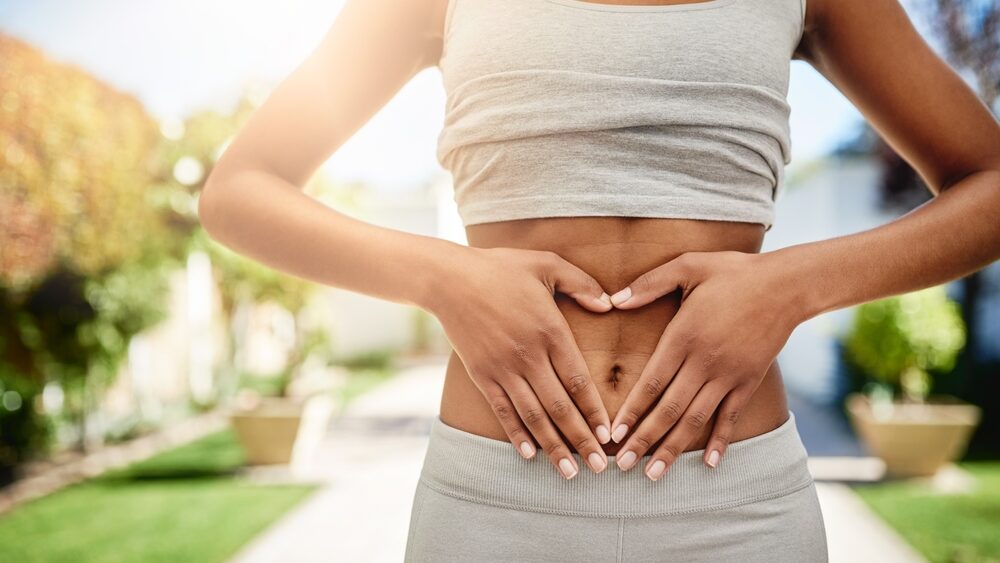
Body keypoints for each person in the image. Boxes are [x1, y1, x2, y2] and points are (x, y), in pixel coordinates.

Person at [198, 0, 1000, 560]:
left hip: (736, 507)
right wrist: (445, 278)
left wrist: (791, 287)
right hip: (494, 505)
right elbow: (240, 190)